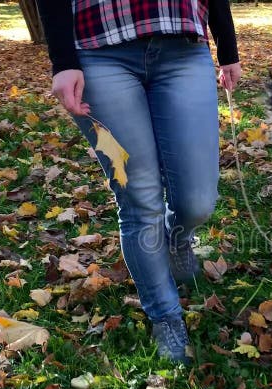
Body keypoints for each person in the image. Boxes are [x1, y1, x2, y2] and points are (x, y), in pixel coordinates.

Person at [35, 0, 241, 363]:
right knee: (139, 197)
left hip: (183, 44)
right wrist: (63, 60)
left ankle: (177, 240)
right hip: (98, 47)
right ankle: (165, 315)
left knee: (198, 201)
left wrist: (228, 46)